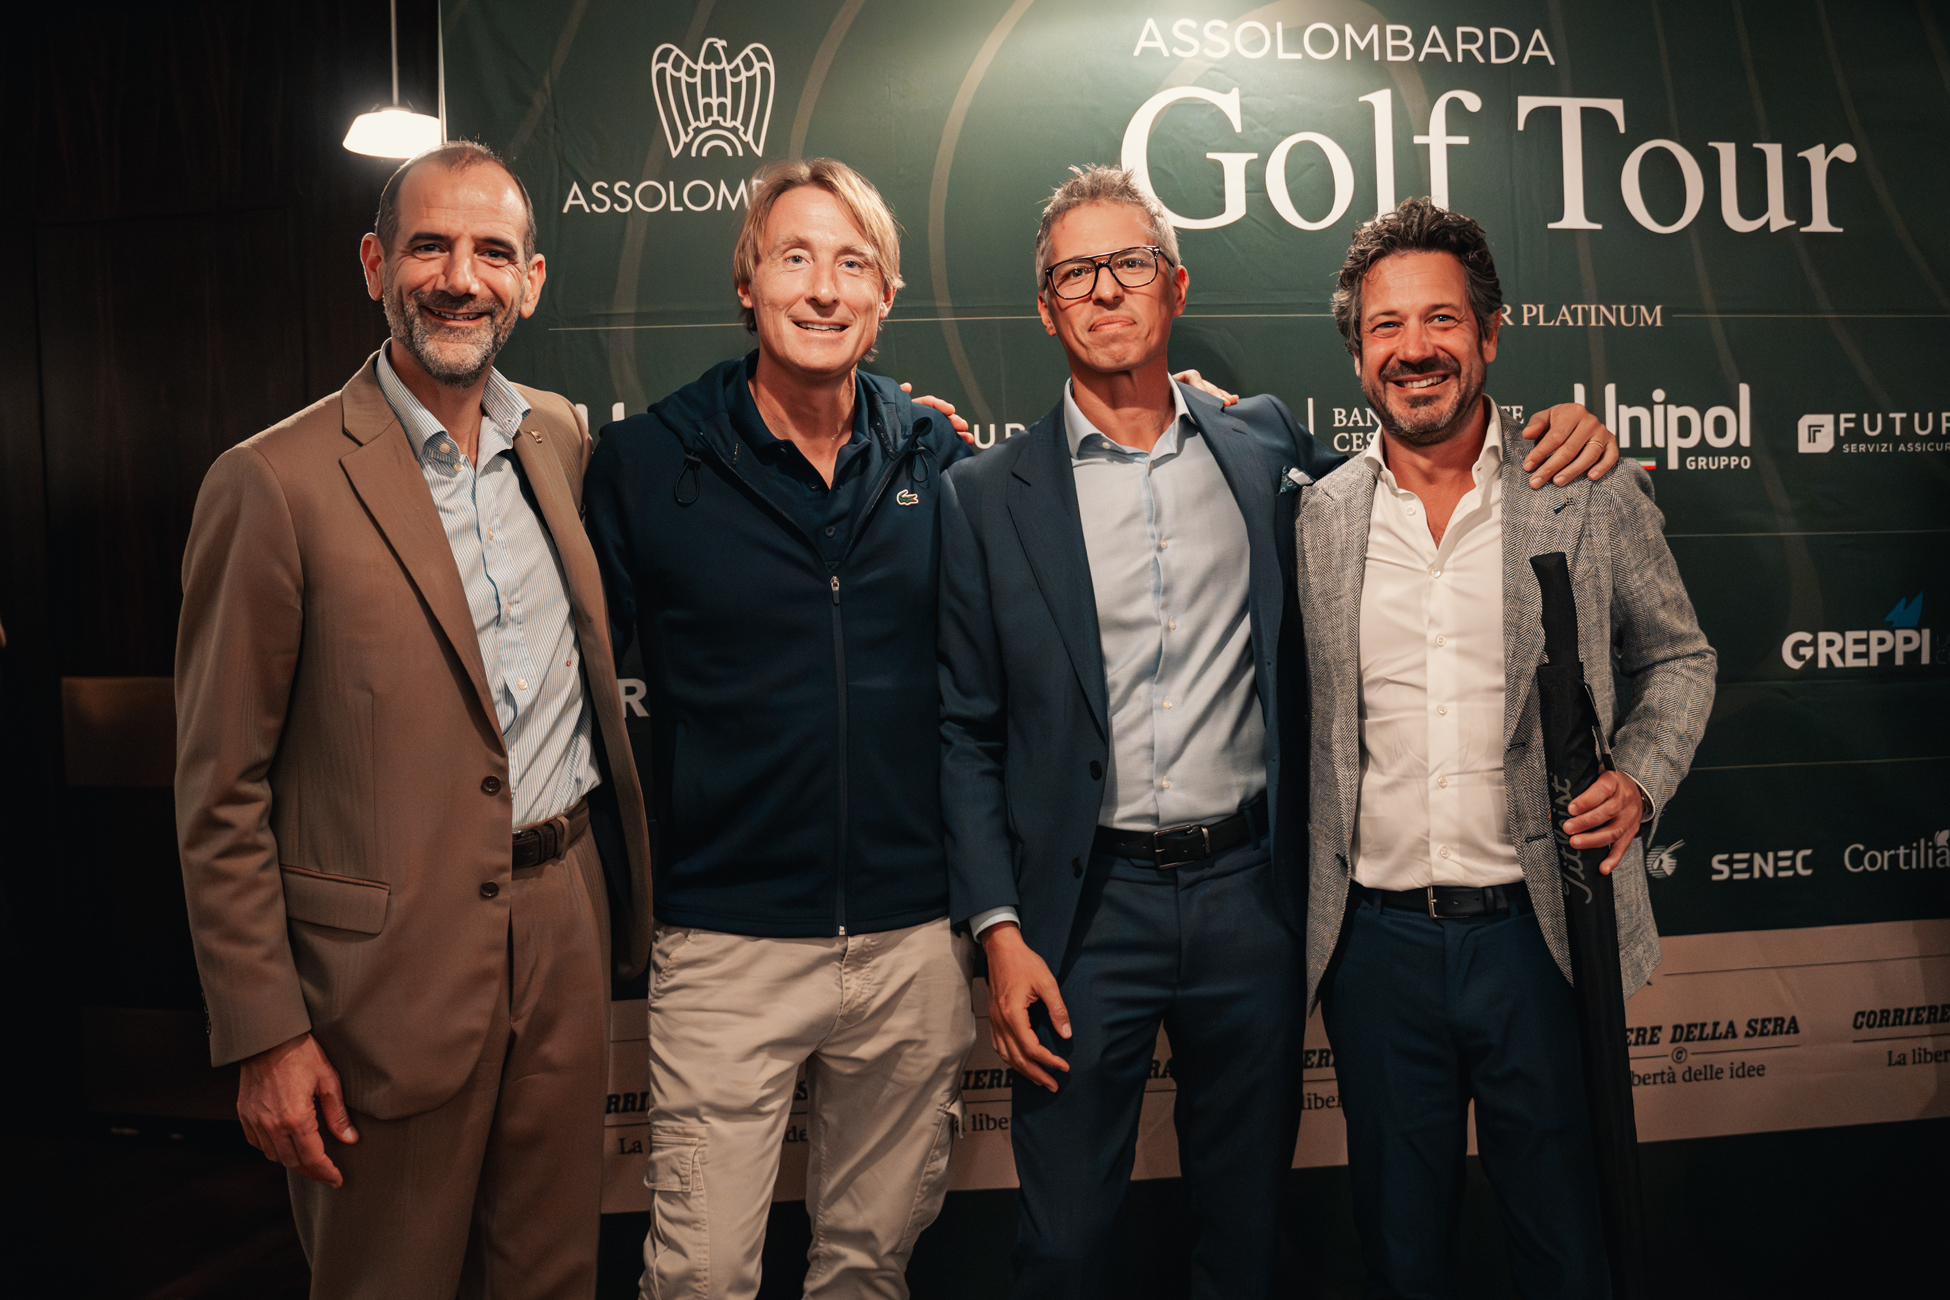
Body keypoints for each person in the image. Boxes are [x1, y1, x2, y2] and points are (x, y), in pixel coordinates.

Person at [935, 166, 1620, 1299]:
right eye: (1075, 274)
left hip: (1252, 902)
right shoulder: (980, 492)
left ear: (1176, 285)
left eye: (1129, 263)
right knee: (1062, 1245)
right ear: (1047, 309)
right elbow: (965, 730)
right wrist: (998, 931)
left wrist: (1572, 426)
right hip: (1081, 913)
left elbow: (1428, 460)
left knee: (1247, 1232)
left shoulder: (1263, 450)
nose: (1104, 290)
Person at [175, 141, 653, 1299]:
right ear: (374, 264)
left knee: (553, 1274)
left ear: (530, 280)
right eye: (429, 246)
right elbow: (220, 789)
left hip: (564, 925)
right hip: (377, 979)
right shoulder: (272, 482)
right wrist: (265, 1032)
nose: (459, 278)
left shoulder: (557, 436)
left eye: (492, 252)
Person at [1295, 197, 1717, 1296]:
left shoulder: (1583, 484)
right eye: (1386, 327)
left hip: (1546, 936)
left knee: (1567, 1249)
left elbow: (1681, 657)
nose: (1414, 349)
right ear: (1357, 352)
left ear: (1489, 331)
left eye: (1441, 319)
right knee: (1401, 1255)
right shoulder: (1318, 517)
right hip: (1376, 951)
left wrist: (1640, 780)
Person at [584, 158, 980, 1300]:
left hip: (913, 945)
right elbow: (570, 687)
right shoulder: (647, 464)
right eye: (794, 258)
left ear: (886, 296)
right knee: (700, 1278)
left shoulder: (938, 459)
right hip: (726, 946)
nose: (822, 288)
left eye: (852, 263)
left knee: (867, 1272)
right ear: (747, 283)